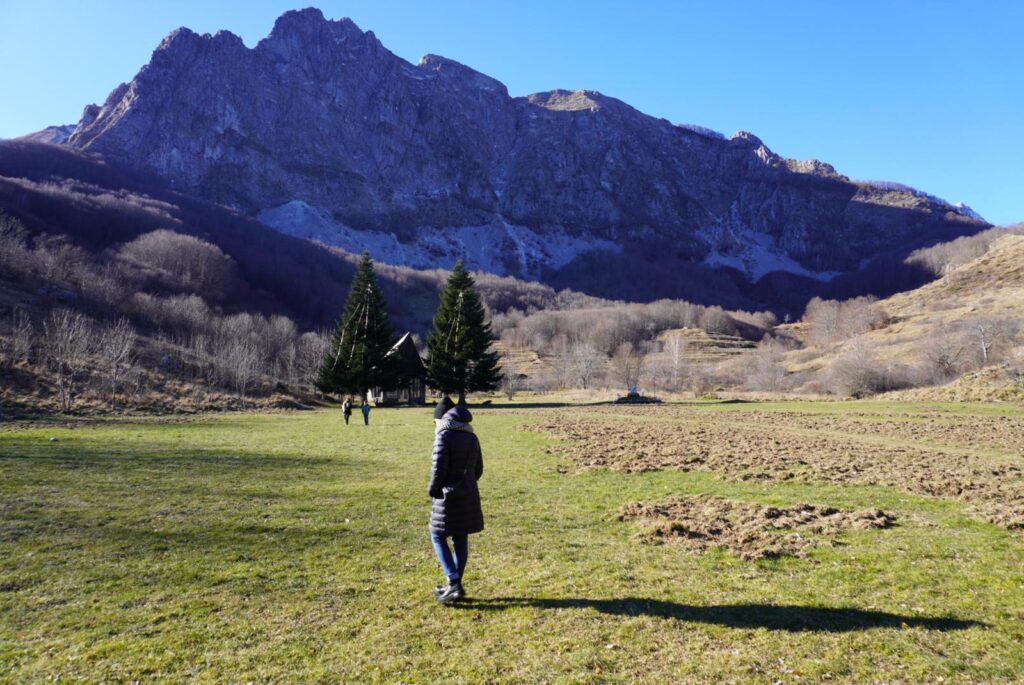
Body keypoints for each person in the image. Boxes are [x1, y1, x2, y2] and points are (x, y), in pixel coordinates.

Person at [427, 396, 484, 604]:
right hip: (468, 493)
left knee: (437, 535)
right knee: (460, 537)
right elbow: (478, 470)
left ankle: (453, 582)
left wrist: (433, 490)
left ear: (441, 419)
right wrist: (466, 482)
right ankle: (455, 584)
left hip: (447, 495)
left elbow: (438, 469)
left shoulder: (443, 436)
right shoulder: (472, 436)